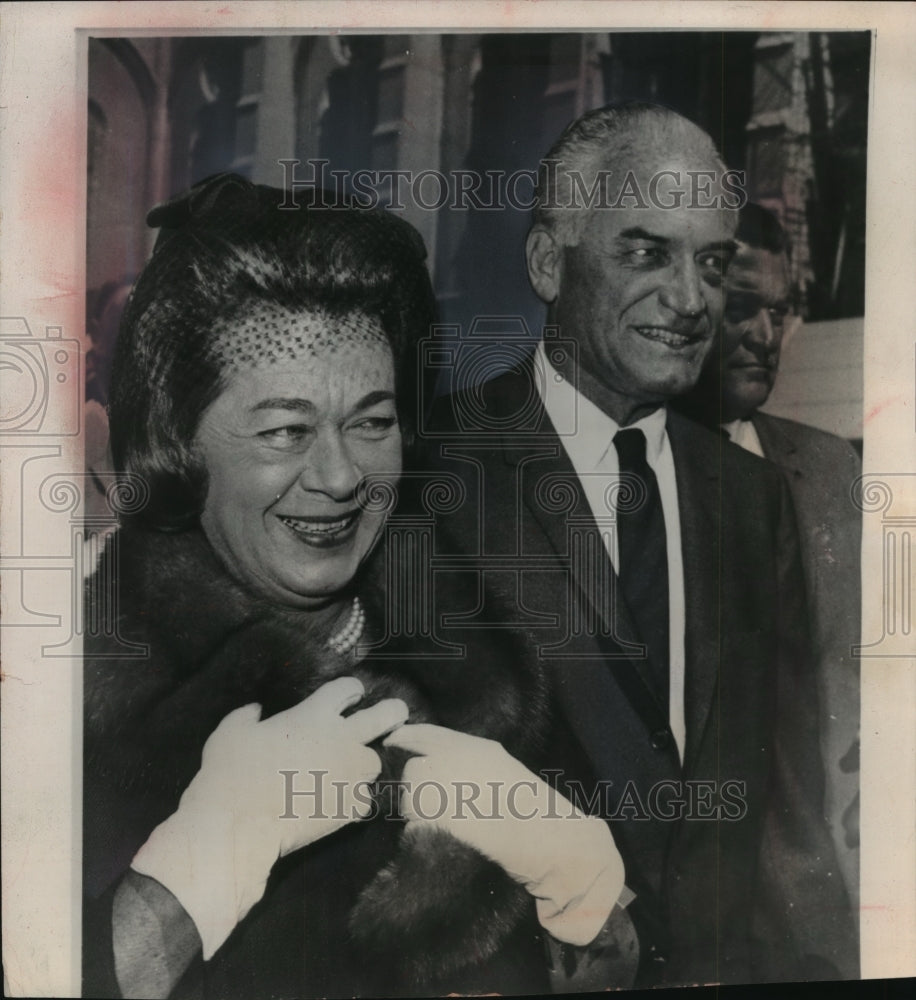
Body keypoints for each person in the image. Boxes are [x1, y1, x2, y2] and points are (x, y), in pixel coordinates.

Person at [82, 174, 624, 998]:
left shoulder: (490, 649)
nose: (340, 476)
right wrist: (186, 878)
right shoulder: (65, 684)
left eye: (373, 421)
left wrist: (590, 910)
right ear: (180, 440)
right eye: (284, 430)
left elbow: (634, 956)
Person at [422, 102, 857, 987]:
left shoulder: (750, 497)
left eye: (711, 262)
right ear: (549, 262)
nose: (692, 299)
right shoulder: (438, 474)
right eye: (647, 252)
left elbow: (790, 828)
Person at [677, 201, 862, 918]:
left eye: (779, 313)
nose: (764, 336)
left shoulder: (831, 467)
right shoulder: (639, 476)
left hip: (836, 874)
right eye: (743, 309)